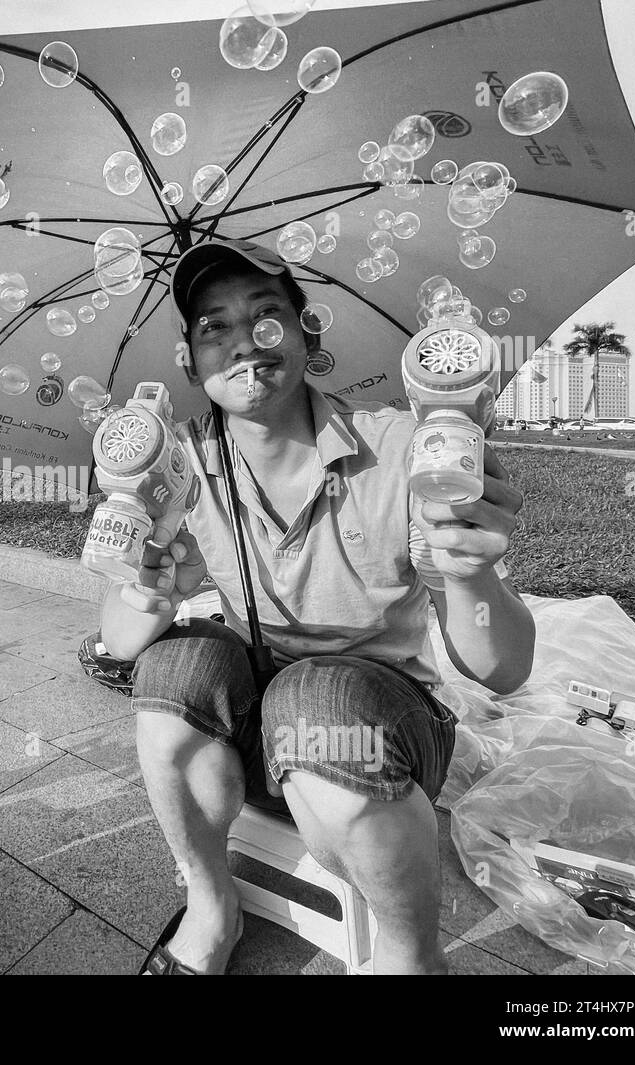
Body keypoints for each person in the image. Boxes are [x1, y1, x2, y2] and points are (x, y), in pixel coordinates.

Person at [97, 239, 534, 975]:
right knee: (170, 670)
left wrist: (471, 577)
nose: (244, 342)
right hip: (260, 721)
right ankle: (212, 905)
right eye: (214, 326)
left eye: (268, 316)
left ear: (309, 337)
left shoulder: (401, 447)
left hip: (382, 729)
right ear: (189, 361)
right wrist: (149, 588)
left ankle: (412, 958)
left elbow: (506, 669)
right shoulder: (179, 463)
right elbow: (115, 639)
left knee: (315, 696)